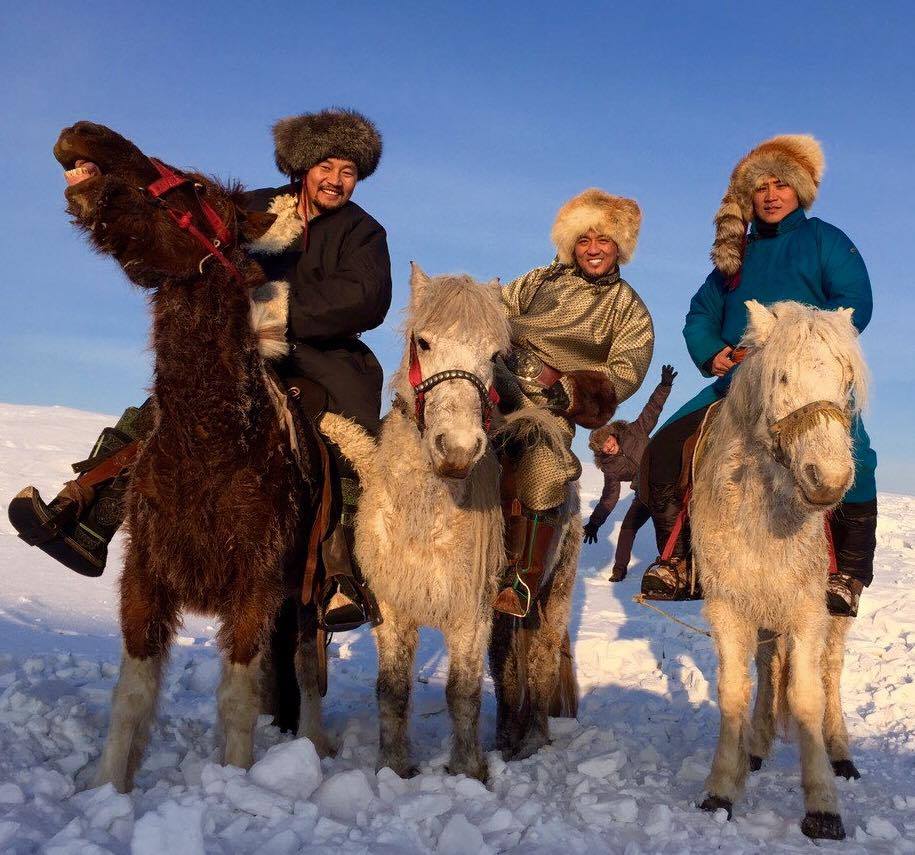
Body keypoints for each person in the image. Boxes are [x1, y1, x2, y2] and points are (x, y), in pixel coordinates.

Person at [10, 109, 392, 630]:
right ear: (303, 167)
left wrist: (273, 309)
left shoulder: (364, 231)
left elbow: (366, 300)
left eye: (348, 171)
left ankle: (341, 573)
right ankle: (89, 517)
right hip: (234, 347)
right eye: (327, 165)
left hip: (322, 360)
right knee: (167, 409)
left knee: (352, 444)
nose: (336, 179)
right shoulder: (247, 208)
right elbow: (187, 244)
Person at [640, 135, 876, 617]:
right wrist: (713, 353)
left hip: (811, 383)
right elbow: (699, 315)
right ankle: (680, 561)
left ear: (800, 191)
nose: (770, 195)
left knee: (858, 461)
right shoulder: (734, 258)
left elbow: (855, 301)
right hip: (739, 384)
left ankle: (846, 575)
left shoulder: (824, 240)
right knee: (667, 448)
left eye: (781, 185)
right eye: (761, 187)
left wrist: (796, 341)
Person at [492, 188, 655, 617]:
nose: (593, 249)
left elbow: (625, 373)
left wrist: (563, 383)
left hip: (550, 409)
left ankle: (522, 579)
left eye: (603, 240)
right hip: (494, 382)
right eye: (584, 240)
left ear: (619, 246)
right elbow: (495, 309)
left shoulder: (630, 311)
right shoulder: (539, 280)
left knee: (544, 467)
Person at [583, 364, 676, 581]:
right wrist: (595, 523)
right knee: (628, 528)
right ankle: (619, 570)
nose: (607, 447)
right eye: (603, 448)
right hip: (643, 494)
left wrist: (664, 385)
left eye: (607, 441)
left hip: (664, 484)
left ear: (612, 435)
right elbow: (609, 497)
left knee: (667, 526)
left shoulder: (635, 431)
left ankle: (672, 567)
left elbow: (652, 409)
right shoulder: (610, 467)